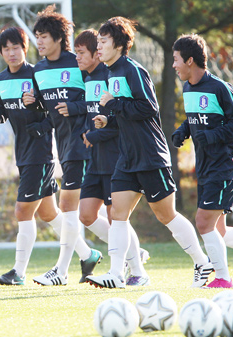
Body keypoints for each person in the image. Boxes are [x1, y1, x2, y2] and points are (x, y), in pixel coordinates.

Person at [86, 17, 212, 289]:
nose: (99, 47)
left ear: (118, 45)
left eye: (103, 42)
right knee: (117, 214)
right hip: (127, 157)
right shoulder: (109, 73)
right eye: (98, 42)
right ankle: (117, 274)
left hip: (151, 155)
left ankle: (202, 262)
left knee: (167, 216)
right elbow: (125, 114)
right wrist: (108, 119)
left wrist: (114, 104)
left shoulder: (133, 70)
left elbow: (148, 109)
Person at [22, 5, 101, 286]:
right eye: (37, 36)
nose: (39, 42)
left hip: (86, 143)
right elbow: (48, 113)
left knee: (68, 206)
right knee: (92, 214)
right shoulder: (39, 70)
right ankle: (129, 252)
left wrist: (76, 107)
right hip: (65, 146)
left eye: (43, 36)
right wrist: (29, 104)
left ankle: (61, 270)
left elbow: (96, 99)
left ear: (58, 38)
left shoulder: (78, 62)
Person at [0, 26, 63, 286]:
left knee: (22, 211)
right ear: (1, 53)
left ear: (24, 48)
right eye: (6, 49)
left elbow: (54, 110)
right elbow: (2, 109)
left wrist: (41, 124)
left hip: (40, 153)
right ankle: (88, 254)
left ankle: (18, 272)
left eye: (16, 47)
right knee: (49, 213)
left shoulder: (38, 74)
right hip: (23, 153)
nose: (11, 53)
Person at [74, 29, 149, 286]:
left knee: (117, 216)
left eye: (83, 52)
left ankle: (134, 266)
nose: (79, 57)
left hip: (115, 156)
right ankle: (131, 252)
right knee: (85, 214)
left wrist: (98, 134)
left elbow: (121, 121)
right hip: (95, 158)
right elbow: (93, 112)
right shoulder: (86, 79)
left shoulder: (115, 75)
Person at [172, 33, 233, 288]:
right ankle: (222, 276)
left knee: (202, 222)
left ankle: (222, 279)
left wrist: (212, 136)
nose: (174, 65)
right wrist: (183, 130)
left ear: (190, 60)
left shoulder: (219, 88)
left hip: (223, 166)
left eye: (176, 60)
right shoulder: (188, 87)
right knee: (217, 231)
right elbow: (195, 118)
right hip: (205, 167)